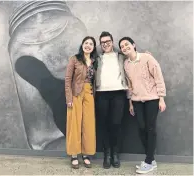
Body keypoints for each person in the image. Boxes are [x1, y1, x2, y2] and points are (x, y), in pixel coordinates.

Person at [118, 37, 166, 174]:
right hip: (137, 100)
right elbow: (130, 85)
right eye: (122, 46)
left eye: (127, 44)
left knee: (150, 129)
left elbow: (158, 77)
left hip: (152, 99)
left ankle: (149, 161)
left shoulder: (147, 58)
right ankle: (151, 159)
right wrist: (131, 102)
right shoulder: (126, 64)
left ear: (133, 45)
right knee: (141, 128)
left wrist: (161, 99)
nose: (124, 47)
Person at [95, 31, 128, 169]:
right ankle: (107, 154)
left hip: (118, 94)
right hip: (101, 94)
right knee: (104, 125)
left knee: (116, 124)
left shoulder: (121, 56)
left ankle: (115, 154)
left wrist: (146, 55)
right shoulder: (97, 58)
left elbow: (134, 56)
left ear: (112, 42)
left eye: (108, 41)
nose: (106, 44)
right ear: (100, 45)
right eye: (103, 42)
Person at [65, 36, 98, 169]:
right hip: (76, 93)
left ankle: (86, 154)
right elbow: (68, 79)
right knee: (74, 124)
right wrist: (69, 98)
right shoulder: (74, 59)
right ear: (82, 45)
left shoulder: (96, 61)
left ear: (93, 47)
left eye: (91, 44)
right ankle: (74, 155)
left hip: (89, 93)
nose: (88, 45)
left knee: (88, 125)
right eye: (86, 43)